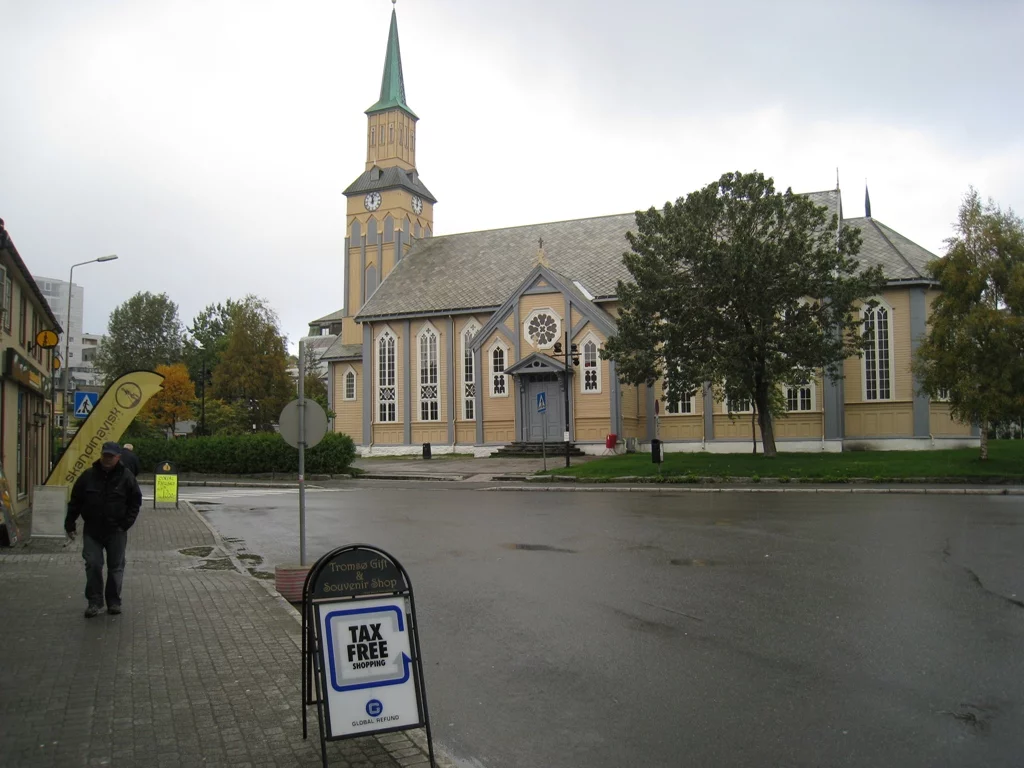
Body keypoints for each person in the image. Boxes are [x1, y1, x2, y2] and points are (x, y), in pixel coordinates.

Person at [64, 442, 143, 618]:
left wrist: (125, 524)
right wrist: (69, 523)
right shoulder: (88, 476)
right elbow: (75, 501)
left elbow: (135, 502)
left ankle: (114, 602)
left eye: (111, 456)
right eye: (105, 455)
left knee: (116, 567)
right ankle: (94, 602)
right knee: (93, 564)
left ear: (118, 457)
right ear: (101, 455)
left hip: (116, 530)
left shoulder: (126, 477)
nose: (107, 459)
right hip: (92, 529)